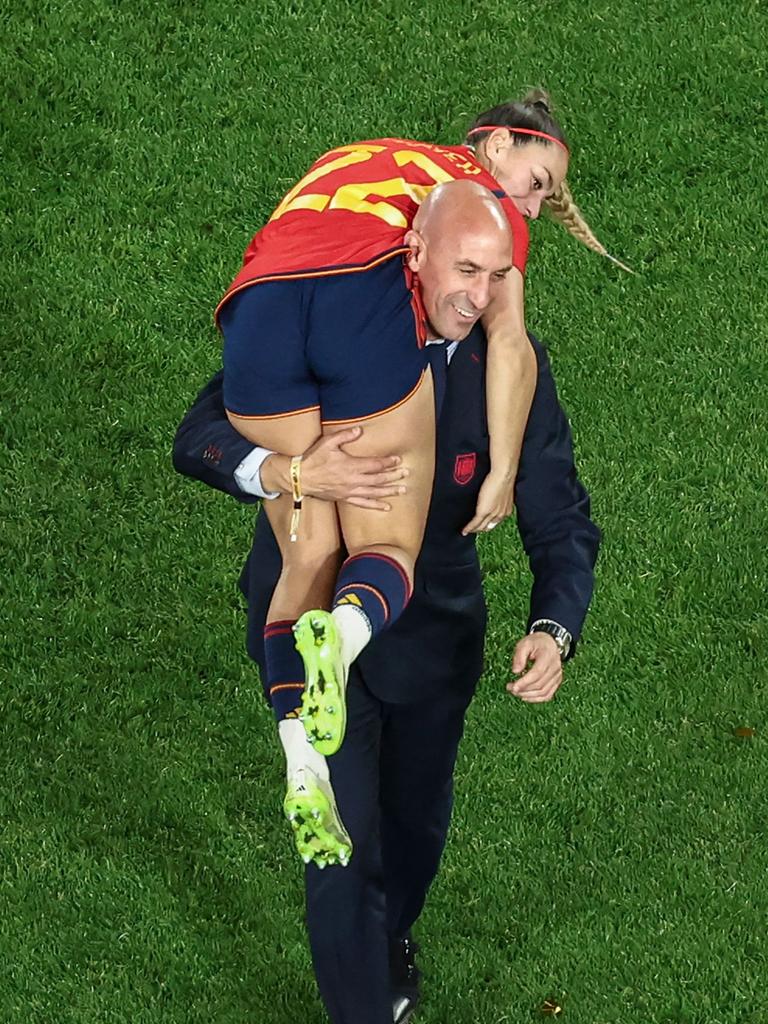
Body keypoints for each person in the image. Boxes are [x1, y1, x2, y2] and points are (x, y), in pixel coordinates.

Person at [215, 92, 615, 863]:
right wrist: (502, 466)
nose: (531, 206)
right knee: (386, 539)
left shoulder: (369, 156)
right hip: (355, 298)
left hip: (257, 302)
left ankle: (302, 766)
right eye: (537, 180)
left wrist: (294, 470)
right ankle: (345, 637)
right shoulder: (480, 206)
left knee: (308, 549)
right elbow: (512, 347)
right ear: (497, 145)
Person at [173, 324, 600, 1023]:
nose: (477, 291)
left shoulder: (507, 368)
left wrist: (554, 629)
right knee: (338, 846)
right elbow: (199, 436)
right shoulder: (325, 332)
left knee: (414, 825)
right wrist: (290, 474)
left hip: (430, 643)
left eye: (492, 272)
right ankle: (363, 1005)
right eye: (463, 267)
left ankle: (389, 935)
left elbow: (558, 512)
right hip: (304, 632)